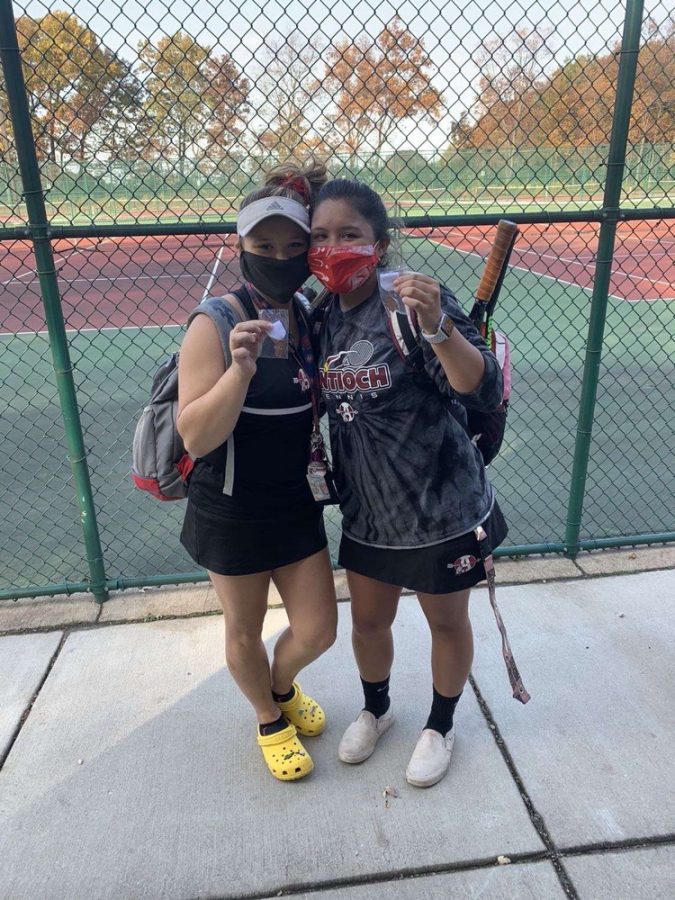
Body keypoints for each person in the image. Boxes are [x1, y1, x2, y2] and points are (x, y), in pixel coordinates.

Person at [308, 179, 509, 788]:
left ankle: (441, 724)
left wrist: (440, 328)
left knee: (446, 623)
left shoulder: (409, 303)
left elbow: (479, 383)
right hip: (367, 508)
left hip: (440, 506)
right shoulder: (318, 318)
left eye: (349, 235)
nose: (333, 247)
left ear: (380, 242)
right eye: (320, 236)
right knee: (369, 624)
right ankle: (377, 708)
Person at [177, 161, 336, 782]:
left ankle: (279, 684)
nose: (278, 256)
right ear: (240, 247)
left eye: (294, 246)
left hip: (296, 502)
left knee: (319, 629)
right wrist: (238, 371)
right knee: (243, 627)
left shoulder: (310, 315)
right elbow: (196, 432)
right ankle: (268, 719)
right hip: (231, 506)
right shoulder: (213, 321)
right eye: (263, 246)